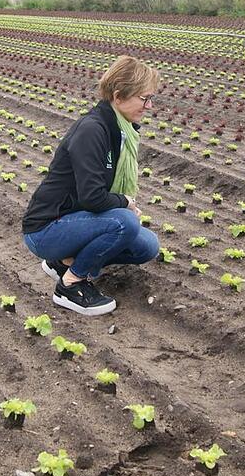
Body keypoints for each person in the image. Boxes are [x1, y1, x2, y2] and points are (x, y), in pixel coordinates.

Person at [21, 56, 161, 316]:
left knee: (147, 246)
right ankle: (71, 284)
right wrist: (126, 203)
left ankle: (63, 261)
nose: (149, 105)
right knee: (124, 223)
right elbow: (93, 198)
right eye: (144, 98)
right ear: (119, 96)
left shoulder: (120, 130)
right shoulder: (93, 130)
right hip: (45, 229)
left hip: (73, 220)